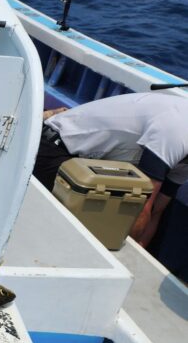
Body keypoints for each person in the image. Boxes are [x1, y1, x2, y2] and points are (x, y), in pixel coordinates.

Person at [33, 92, 188, 248]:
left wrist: (140, 250)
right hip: (54, 149)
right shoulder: (179, 130)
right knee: (94, 230)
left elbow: (156, 211)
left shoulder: (184, 159)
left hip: (89, 165)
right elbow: (143, 205)